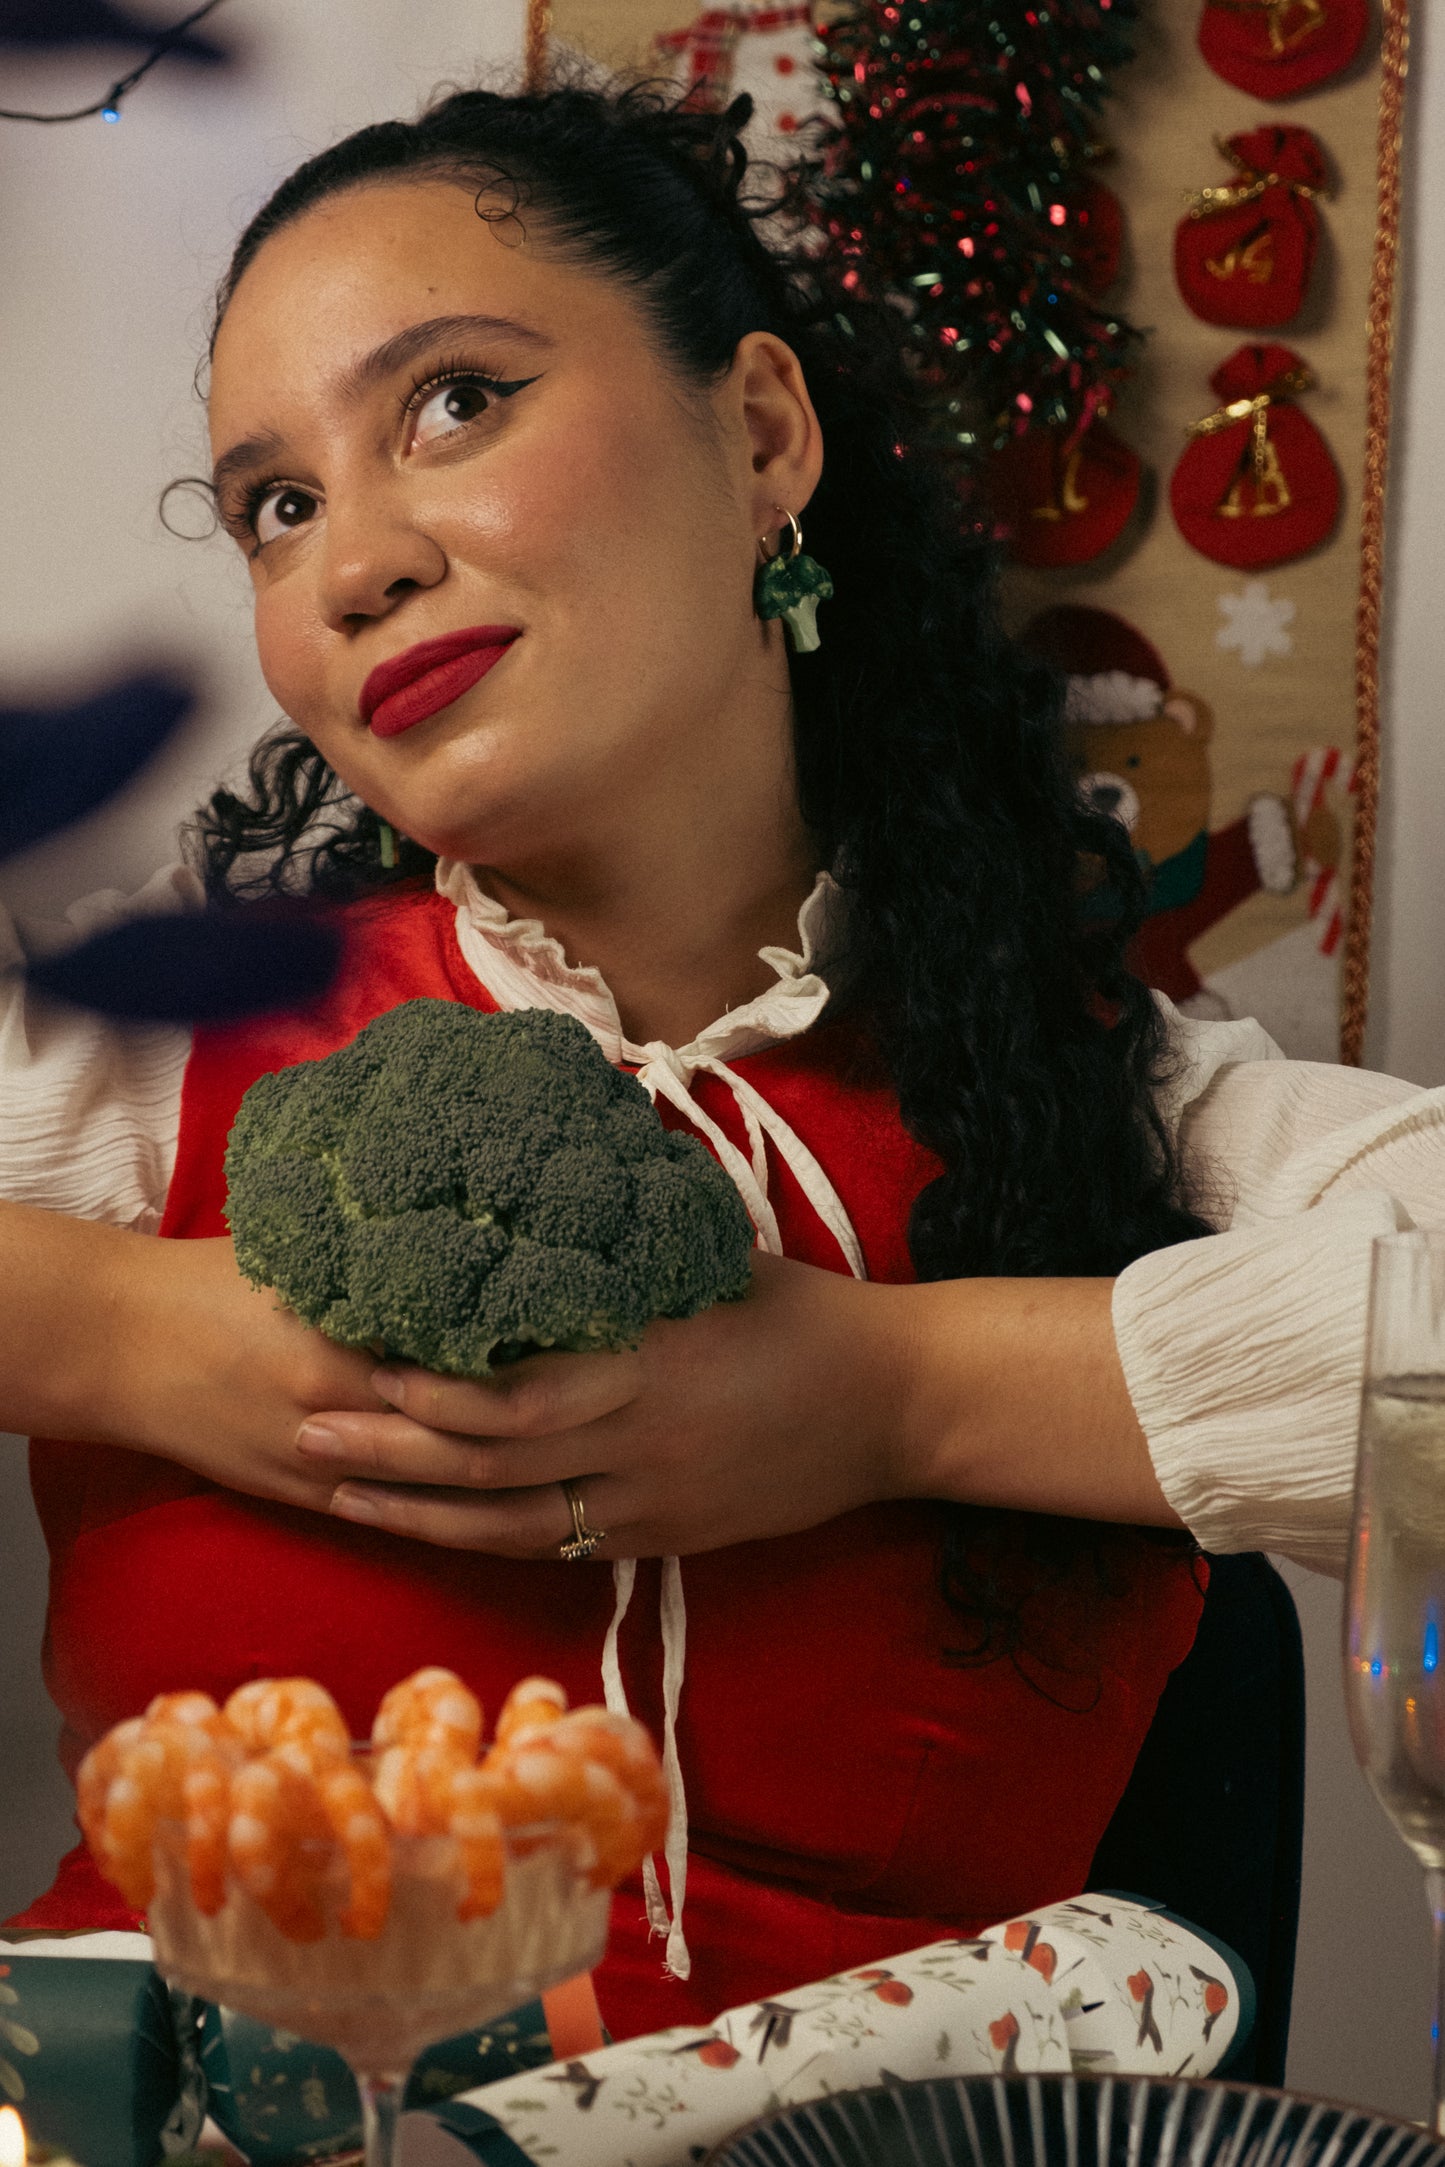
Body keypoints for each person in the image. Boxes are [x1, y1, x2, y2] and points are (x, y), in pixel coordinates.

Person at [3, 79, 1443, 2035]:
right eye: (278, 504)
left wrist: (888, 1392)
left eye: (452, 401)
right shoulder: (160, 1053)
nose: (353, 564)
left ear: (761, 432)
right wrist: (112, 1326)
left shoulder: (1123, 1106)